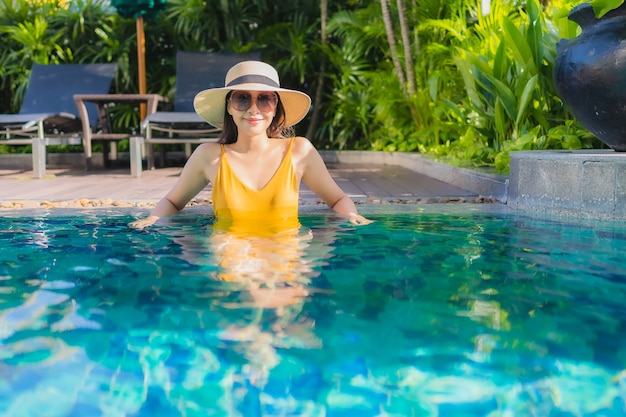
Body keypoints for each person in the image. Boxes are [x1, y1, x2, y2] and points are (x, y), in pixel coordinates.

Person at [129, 60, 372, 229]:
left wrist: (351, 215)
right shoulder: (208, 156)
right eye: (242, 98)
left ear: (275, 106)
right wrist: (153, 219)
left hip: (284, 247)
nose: (254, 108)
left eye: (265, 99)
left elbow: (338, 199)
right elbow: (173, 201)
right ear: (229, 106)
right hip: (230, 249)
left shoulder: (299, 151)